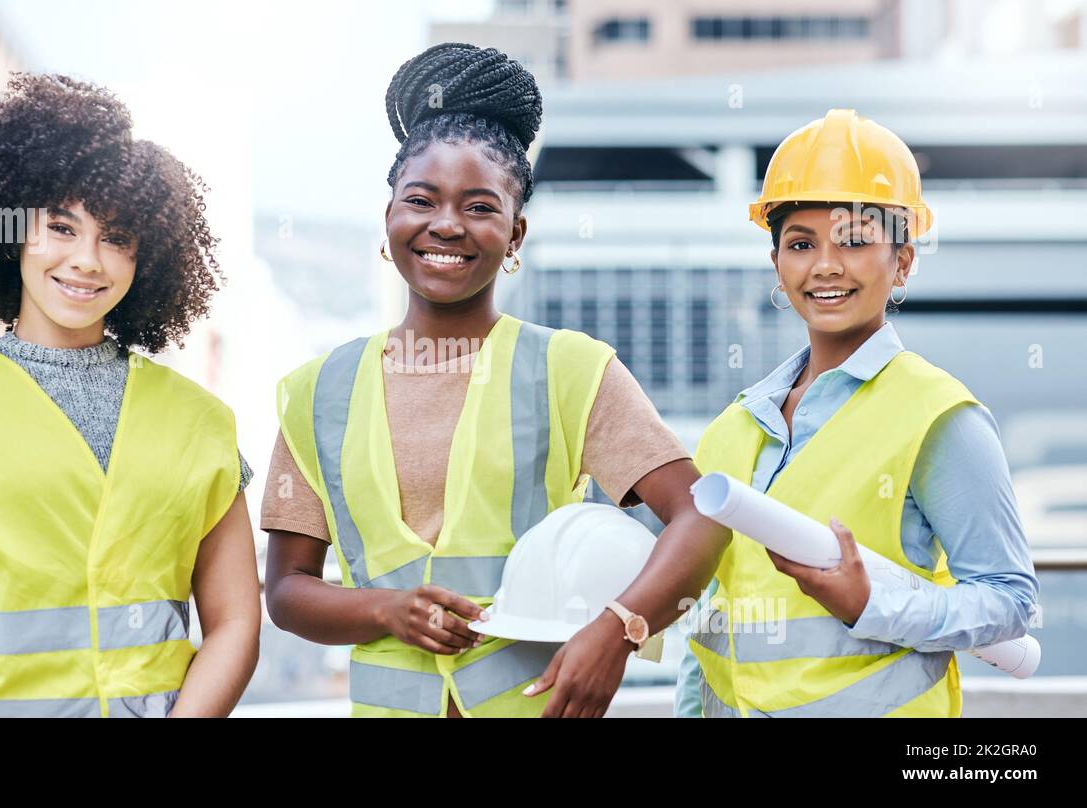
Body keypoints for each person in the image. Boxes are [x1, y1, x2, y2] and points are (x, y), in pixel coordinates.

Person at [261, 43, 731, 718]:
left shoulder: (567, 369)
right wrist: (387, 609)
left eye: (480, 207)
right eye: (421, 199)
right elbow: (287, 593)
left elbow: (703, 518)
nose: (446, 224)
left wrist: (621, 628)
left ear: (515, 236)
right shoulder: (317, 391)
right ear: (388, 217)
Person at [0, 73, 260, 718]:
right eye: (62, 228)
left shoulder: (202, 420)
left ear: (147, 258)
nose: (88, 261)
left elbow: (237, 621)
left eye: (117, 238)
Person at [676, 109, 1039, 718]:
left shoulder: (940, 415)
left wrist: (871, 603)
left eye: (854, 240)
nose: (825, 265)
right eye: (800, 244)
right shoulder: (732, 430)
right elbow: (712, 628)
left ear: (902, 262)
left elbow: (1009, 600)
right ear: (777, 266)